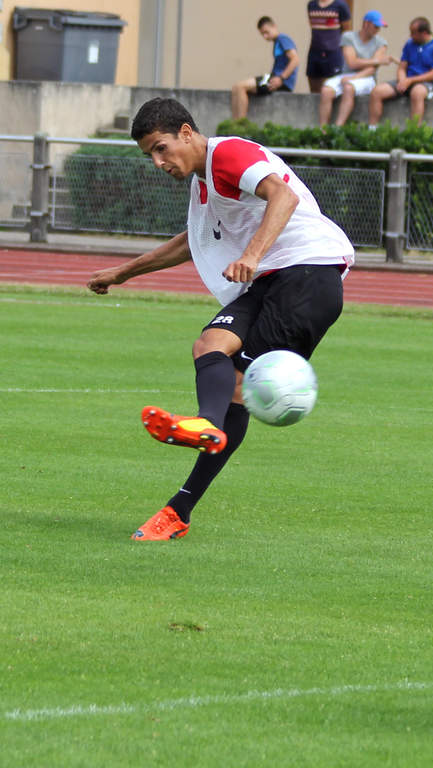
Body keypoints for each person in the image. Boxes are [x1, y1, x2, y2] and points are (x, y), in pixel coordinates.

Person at [86, 97, 354, 541]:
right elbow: (189, 243)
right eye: (150, 155)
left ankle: (180, 507)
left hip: (309, 274)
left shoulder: (227, 154)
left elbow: (282, 195)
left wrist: (251, 254)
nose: (158, 162)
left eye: (161, 148)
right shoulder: (204, 183)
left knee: (234, 387)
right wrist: (123, 272)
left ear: (187, 133)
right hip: (271, 279)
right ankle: (203, 431)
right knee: (209, 346)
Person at [366, 17, 433, 127]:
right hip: (407, 81)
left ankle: (413, 132)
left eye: (413, 33)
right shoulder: (409, 44)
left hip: (430, 84)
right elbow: (402, 67)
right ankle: (372, 130)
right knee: (377, 91)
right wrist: (402, 80)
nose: (410, 36)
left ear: (424, 33)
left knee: (417, 92)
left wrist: (410, 80)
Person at [318, 10, 389, 126]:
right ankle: (322, 129)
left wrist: (355, 77)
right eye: (376, 26)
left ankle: (338, 127)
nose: (378, 30)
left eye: (379, 27)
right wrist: (377, 61)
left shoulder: (382, 43)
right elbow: (352, 63)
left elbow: (372, 69)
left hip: (367, 77)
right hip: (346, 74)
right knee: (326, 90)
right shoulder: (348, 37)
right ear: (366, 24)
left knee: (348, 87)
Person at [230, 17, 300, 119]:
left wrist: (281, 78)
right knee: (236, 87)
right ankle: (235, 124)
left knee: (240, 87)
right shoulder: (277, 42)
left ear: (274, 26)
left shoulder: (283, 39)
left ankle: (240, 124)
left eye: (266, 32)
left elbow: (295, 60)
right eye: (262, 34)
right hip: (274, 78)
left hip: (279, 81)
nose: (265, 36)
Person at [305, 0, 352, 93]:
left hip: (333, 52)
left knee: (332, 88)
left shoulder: (340, 5)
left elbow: (347, 30)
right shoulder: (312, 5)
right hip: (315, 50)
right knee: (314, 88)